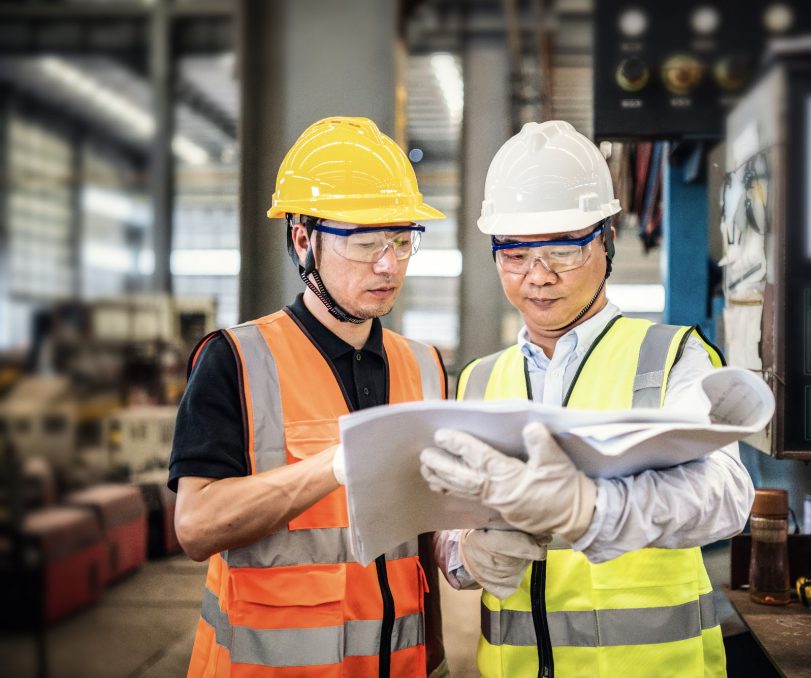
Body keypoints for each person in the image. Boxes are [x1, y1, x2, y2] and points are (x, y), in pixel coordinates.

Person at [420, 120, 755, 677]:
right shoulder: (479, 380)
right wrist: (462, 554)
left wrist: (592, 511)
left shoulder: (672, 359)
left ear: (607, 239)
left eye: (562, 251)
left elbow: (726, 496)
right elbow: (446, 519)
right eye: (515, 254)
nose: (538, 277)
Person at [171, 117, 449, 677]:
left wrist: (436, 656)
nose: (388, 264)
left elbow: (418, 540)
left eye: (401, 240)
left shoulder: (423, 365)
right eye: (366, 241)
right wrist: (333, 466)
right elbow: (196, 527)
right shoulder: (236, 361)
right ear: (303, 239)